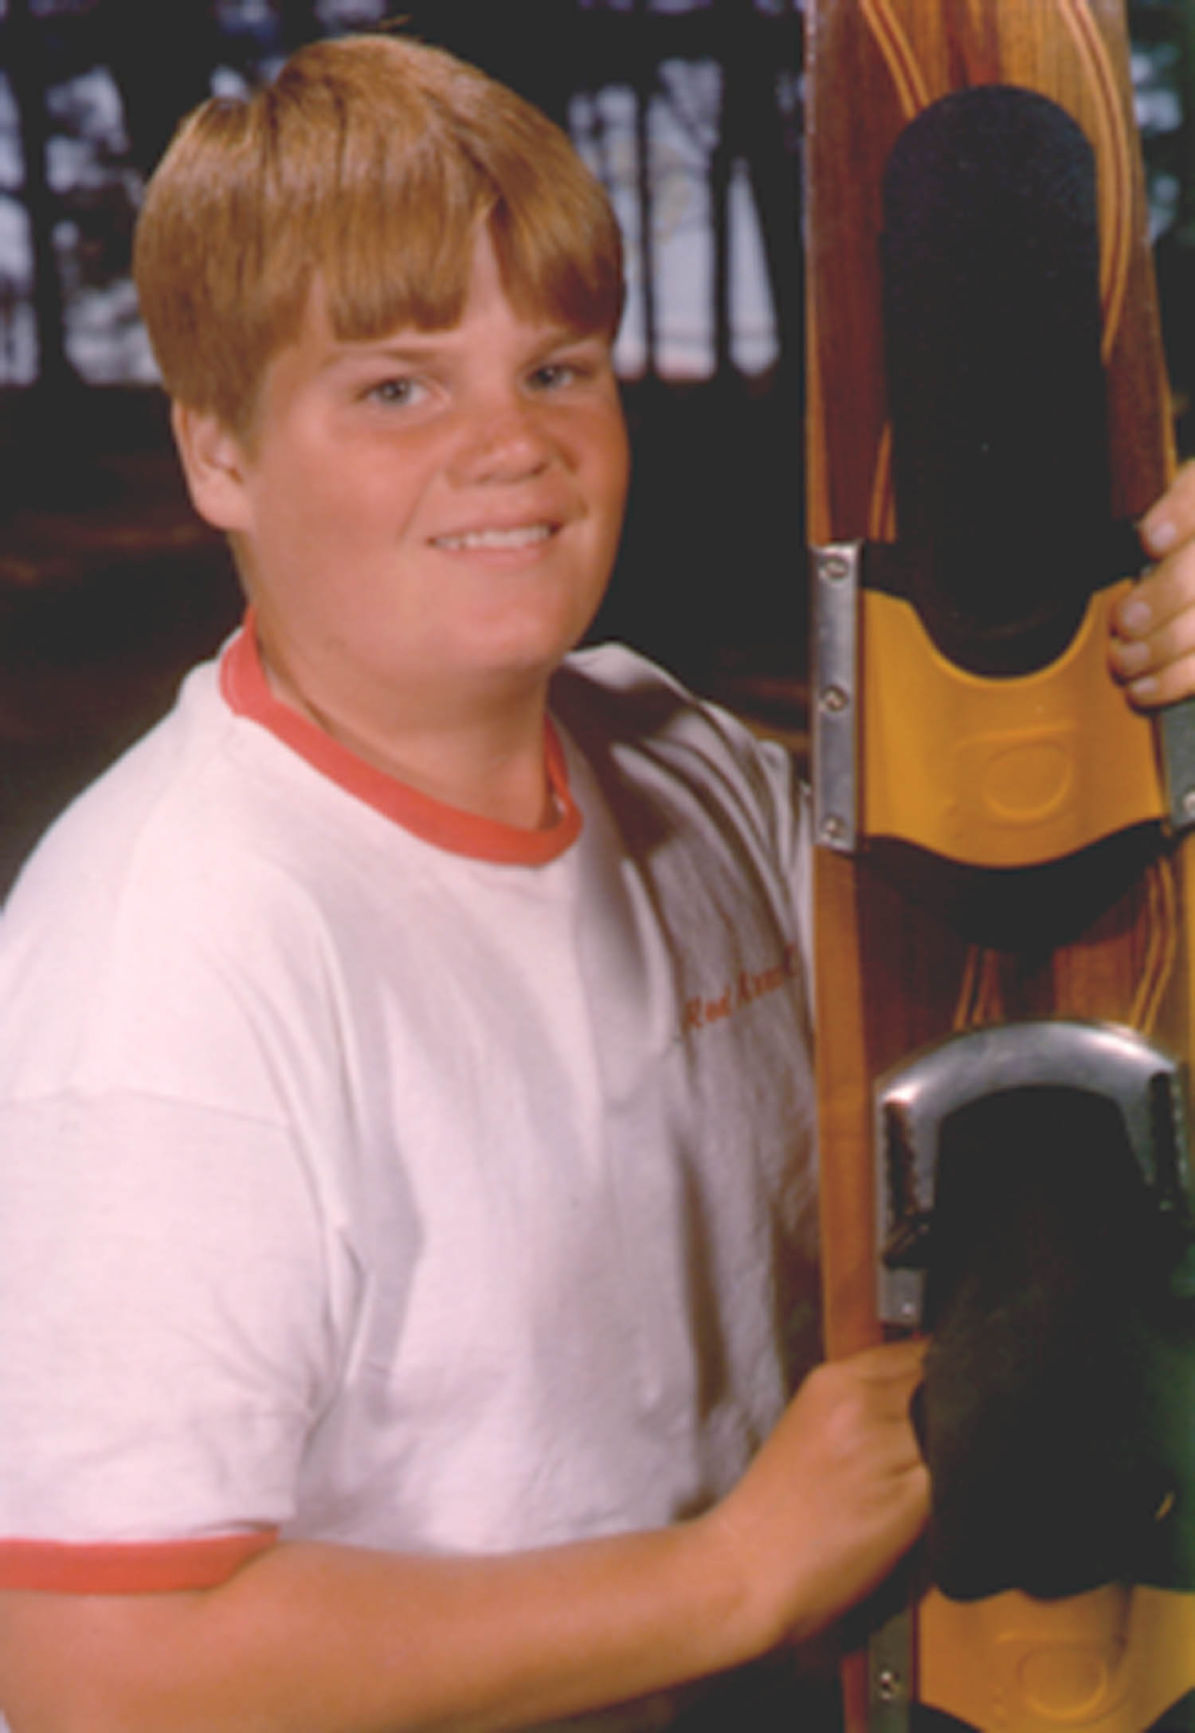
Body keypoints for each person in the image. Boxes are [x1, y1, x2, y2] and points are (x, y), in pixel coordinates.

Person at [0, 29, 1188, 1733]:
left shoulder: (664, 749)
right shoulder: (162, 960)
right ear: (220, 453)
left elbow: (1024, 974)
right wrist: (731, 1574)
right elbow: (93, 1668)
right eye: (398, 385)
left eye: (556, 368)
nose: (512, 446)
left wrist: (1163, 642)